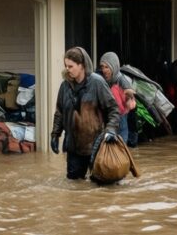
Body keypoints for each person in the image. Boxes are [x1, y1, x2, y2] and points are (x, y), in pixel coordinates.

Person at [50, 47, 121, 180]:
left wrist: (111, 129)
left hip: (96, 146)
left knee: (99, 187)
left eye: (70, 66)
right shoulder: (64, 86)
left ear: (81, 65)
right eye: (66, 66)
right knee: (74, 187)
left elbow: (113, 109)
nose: (67, 69)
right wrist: (55, 134)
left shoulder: (97, 83)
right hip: (73, 147)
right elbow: (59, 112)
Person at [99, 52, 136, 146]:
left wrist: (129, 94)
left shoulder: (121, 79)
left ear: (114, 66)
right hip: (108, 117)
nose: (104, 70)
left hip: (120, 117)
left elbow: (130, 93)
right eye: (102, 67)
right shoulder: (104, 80)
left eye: (107, 67)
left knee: (121, 144)